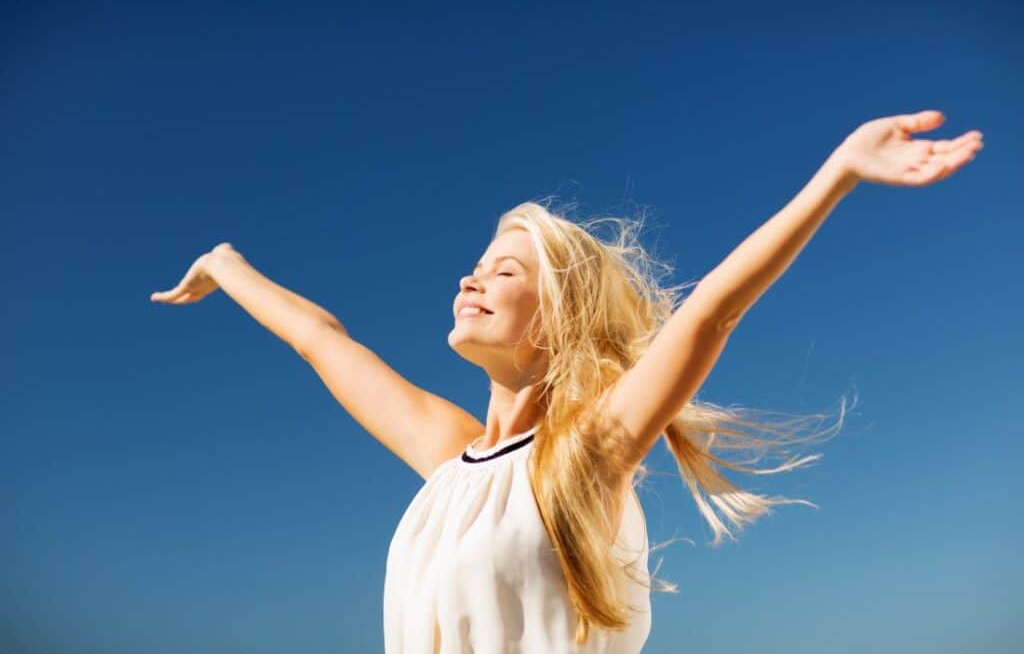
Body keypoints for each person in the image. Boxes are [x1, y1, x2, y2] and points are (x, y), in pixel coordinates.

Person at [150, 110, 982, 652]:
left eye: (504, 271)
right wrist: (226, 265)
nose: (471, 279)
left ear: (558, 318)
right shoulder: (449, 458)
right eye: (475, 266)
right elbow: (321, 341)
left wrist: (837, 174)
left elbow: (710, 315)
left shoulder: (586, 453)